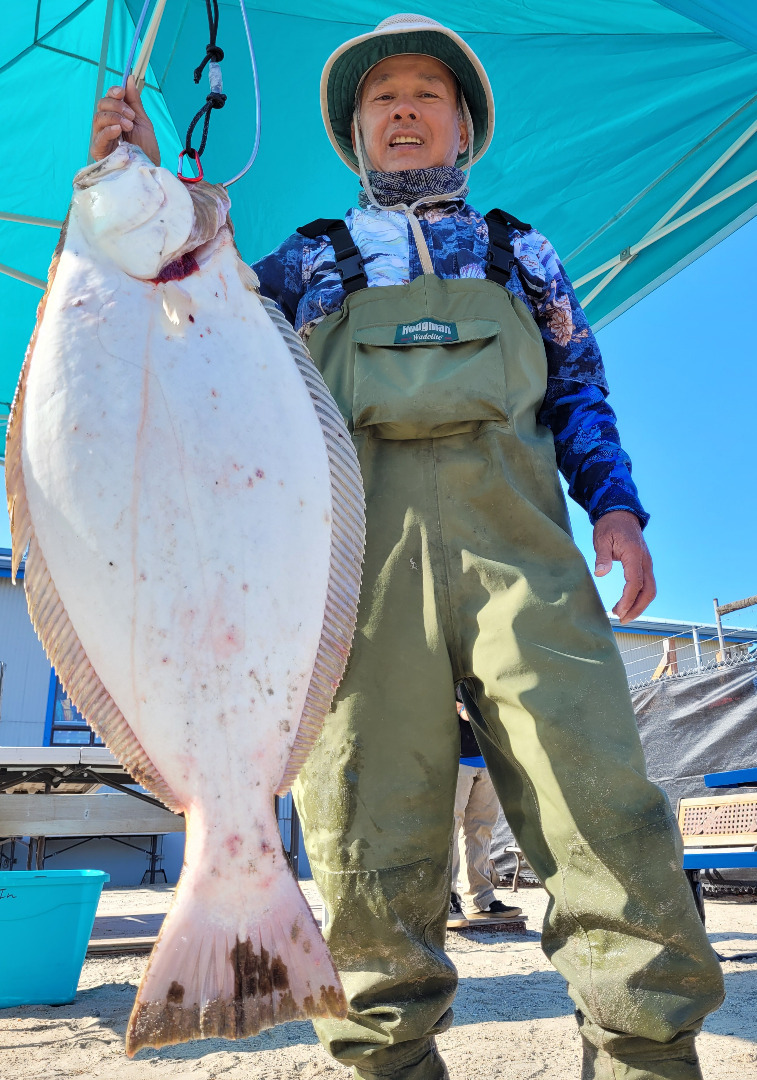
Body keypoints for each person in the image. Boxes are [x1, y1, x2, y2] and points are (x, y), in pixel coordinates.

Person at [90, 14, 724, 1080]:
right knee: (364, 834)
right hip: (349, 581)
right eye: (381, 96)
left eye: (426, 92)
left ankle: (643, 1052)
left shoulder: (524, 253)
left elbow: (577, 389)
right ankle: (383, 1055)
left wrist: (615, 509)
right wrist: (141, 180)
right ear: (356, 130)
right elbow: (191, 312)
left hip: (524, 560)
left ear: (461, 124)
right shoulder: (299, 264)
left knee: (602, 810)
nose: (402, 109)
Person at [449, 688, 521, 927]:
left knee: (481, 830)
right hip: (454, 758)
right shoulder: (445, 663)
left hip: (486, 758)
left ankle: (481, 901)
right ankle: (446, 901)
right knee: (449, 830)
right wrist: (459, 707)